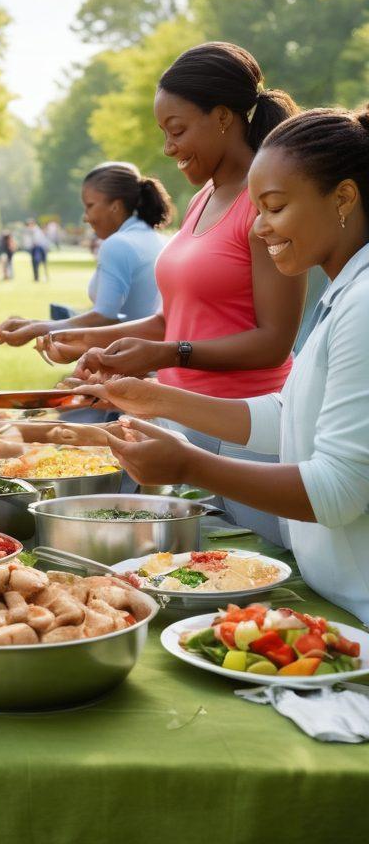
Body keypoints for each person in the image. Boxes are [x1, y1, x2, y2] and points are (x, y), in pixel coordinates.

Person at [88, 107, 369, 622]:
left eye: (275, 207)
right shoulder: (345, 290)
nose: (259, 228)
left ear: (344, 197)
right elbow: (291, 416)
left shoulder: (364, 301)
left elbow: (340, 490)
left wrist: (190, 464)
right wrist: (157, 398)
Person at [39, 43, 308, 543]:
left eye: (177, 129)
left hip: (249, 432)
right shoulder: (202, 197)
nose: (167, 148)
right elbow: (172, 320)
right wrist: (91, 345)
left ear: (223, 117)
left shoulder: (264, 204)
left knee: (265, 567)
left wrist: (168, 354)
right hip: (180, 421)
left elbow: (273, 340)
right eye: (163, 132)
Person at [0, 163, 172, 346]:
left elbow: (105, 317)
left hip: (131, 364)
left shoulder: (118, 244)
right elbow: (126, 315)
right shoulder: (159, 239)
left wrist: (36, 330)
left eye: (90, 206)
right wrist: (34, 324)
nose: (85, 217)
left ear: (115, 206)